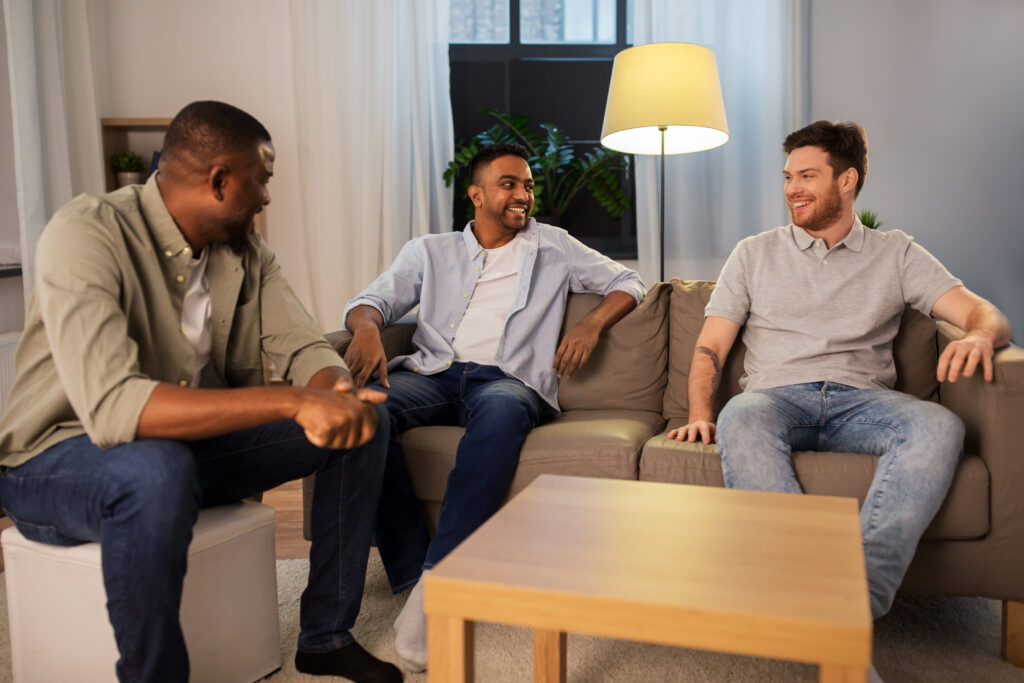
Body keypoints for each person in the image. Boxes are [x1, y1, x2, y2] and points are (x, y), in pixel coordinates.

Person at [0, 101, 401, 683]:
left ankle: (325, 637)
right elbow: (115, 407)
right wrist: (293, 400)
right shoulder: (86, 232)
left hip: (180, 455)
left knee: (365, 423)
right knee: (154, 469)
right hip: (57, 462)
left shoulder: (246, 252)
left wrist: (336, 394)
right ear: (219, 181)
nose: (267, 196)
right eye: (262, 180)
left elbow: (304, 347)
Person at [668, 120, 1011, 624]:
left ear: (846, 180)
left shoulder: (896, 253)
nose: (792, 189)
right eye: (788, 177)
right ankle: (829, 608)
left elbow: (984, 313)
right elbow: (709, 348)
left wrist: (980, 335)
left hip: (863, 403)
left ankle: (851, 603)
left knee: (940, 425)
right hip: (775, 398)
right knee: (740, 416)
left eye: (807, 176)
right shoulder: (754, 253)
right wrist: (700, 412)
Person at [343, 143, 645, 672]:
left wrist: (591, 324)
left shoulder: (553, 245)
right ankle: (413, 574)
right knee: (365, 411)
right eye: (509, 184)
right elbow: (373, 300)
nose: (523, 194)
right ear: (476, 194)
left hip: (509, 380)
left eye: (528, 185)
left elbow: (628, 281)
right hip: (433, 374)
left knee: (503, 413)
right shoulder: (429, 250)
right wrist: (367, 328)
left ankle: (440, 583)